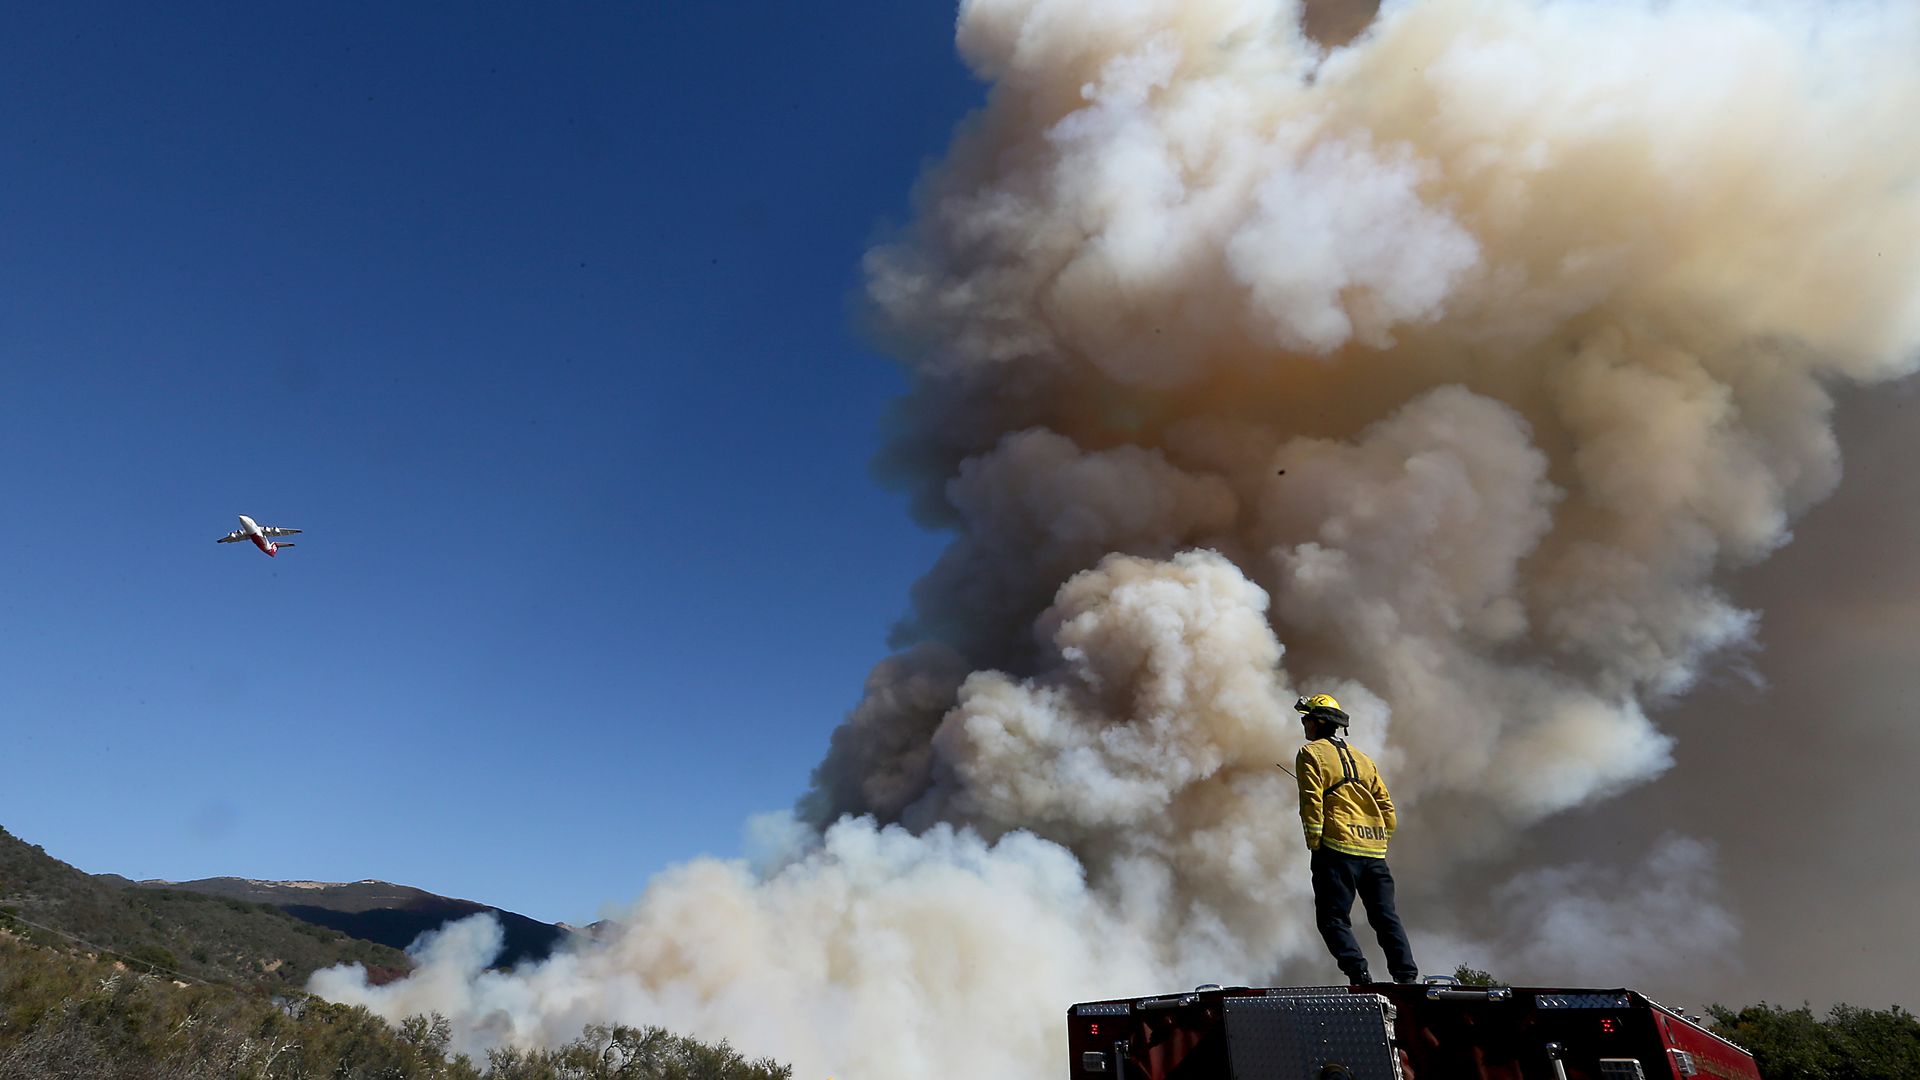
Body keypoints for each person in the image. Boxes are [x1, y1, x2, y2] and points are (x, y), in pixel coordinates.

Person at [1293, 693, 1419, 985]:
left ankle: (1359, 975)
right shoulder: (1364, 759)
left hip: (1336, 851)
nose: (1304, 725)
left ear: (1318, 722)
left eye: (1306, 719)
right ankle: (1407, 977)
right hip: (1374, 855)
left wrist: (1315, 842)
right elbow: (1387, 808)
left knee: (1332, 918)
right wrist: (1378, 838)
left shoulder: (1309, 753)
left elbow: (1311, 802)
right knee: (1385, 917)